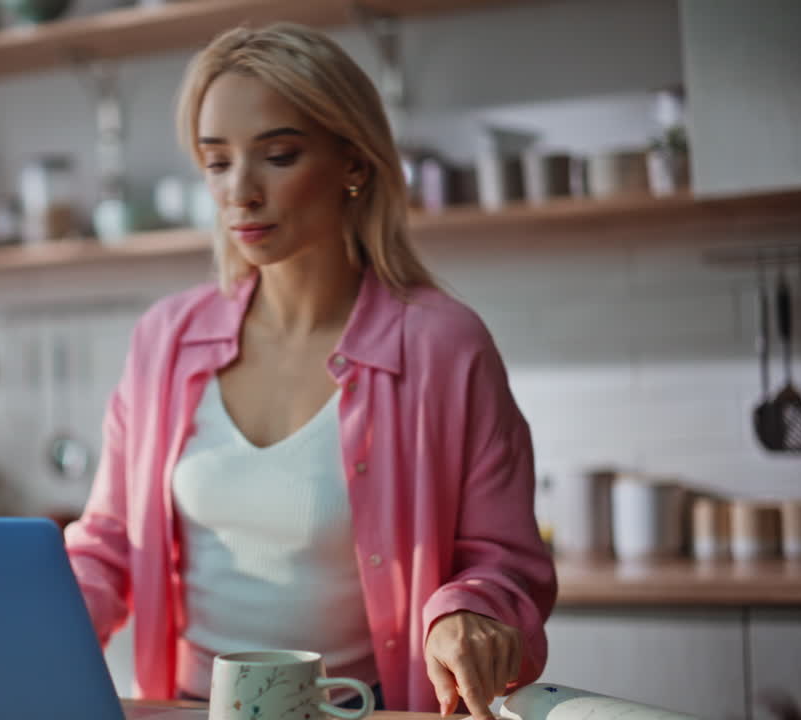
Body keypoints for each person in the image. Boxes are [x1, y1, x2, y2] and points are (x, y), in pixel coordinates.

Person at [63, 22, 557, 720]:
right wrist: (21, 633)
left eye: (279, 155)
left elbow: (505, 563)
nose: (240, 191)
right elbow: (108, 548)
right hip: (187, 711)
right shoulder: (163, 340)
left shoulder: (444, 346)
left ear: (354, 164)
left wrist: (465, 613)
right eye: (216, 161)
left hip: (366, 710)